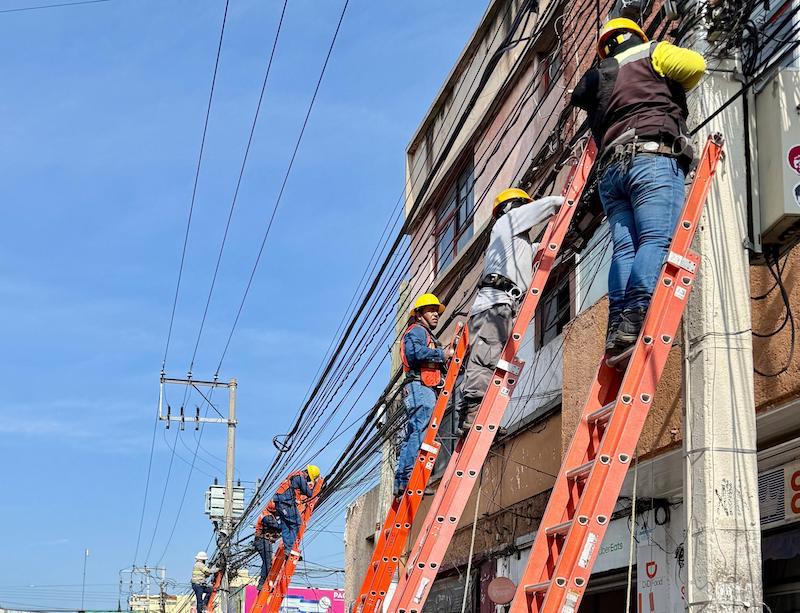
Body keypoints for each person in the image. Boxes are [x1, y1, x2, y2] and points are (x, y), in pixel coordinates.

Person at [570, 18, 706, 356]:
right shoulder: (652, 52)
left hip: (610, 173)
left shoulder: (601, 77)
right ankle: (636, 315)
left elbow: (581, 100)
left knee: (625, 250)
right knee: (656, 239)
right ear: (637, 36)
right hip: (651, 159)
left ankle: (618, 326)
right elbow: (696, 66)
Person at [456, 189, 564, 435]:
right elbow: (550, 204)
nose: (526, 210)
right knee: (486, 358)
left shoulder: (515, 243)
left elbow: (537, 251)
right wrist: (570, 198)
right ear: (511, 206)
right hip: (495, 304)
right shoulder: (509, 221)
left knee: (491, 360)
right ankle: (473, 415)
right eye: (523, 205)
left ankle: (477, 416)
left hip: (501, 304)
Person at [393, 293, 454, 498]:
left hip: (421, 387)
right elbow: (415, 354)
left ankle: (403, 482)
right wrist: (442, 354)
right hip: (420, 387)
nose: (436, 314)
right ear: (419, 314)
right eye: (431, 311)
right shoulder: (417, 331)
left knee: (415, 433)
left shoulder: (425, 334)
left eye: (437, 311)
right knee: (419, 433)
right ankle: (409, 479)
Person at [273, 465, 321, 557]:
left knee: (286, 526)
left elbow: (297, 489)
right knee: (297, 523)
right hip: (285, 503)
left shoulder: (295, 475)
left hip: (279, 503)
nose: (308, 480)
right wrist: (315, 485)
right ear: (308, 474)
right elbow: (309, 494)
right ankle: (290, 547)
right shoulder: (300, 478)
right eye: (309, 479)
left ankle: (287, 549)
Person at [254, 500, 280, 590]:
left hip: (263, 540)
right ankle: (262, 583)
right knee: (267, 562)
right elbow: (277, 527)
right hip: (262, 540)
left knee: (267, 562)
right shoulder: (267, 517)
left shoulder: (268, 514)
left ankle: (263, 582)